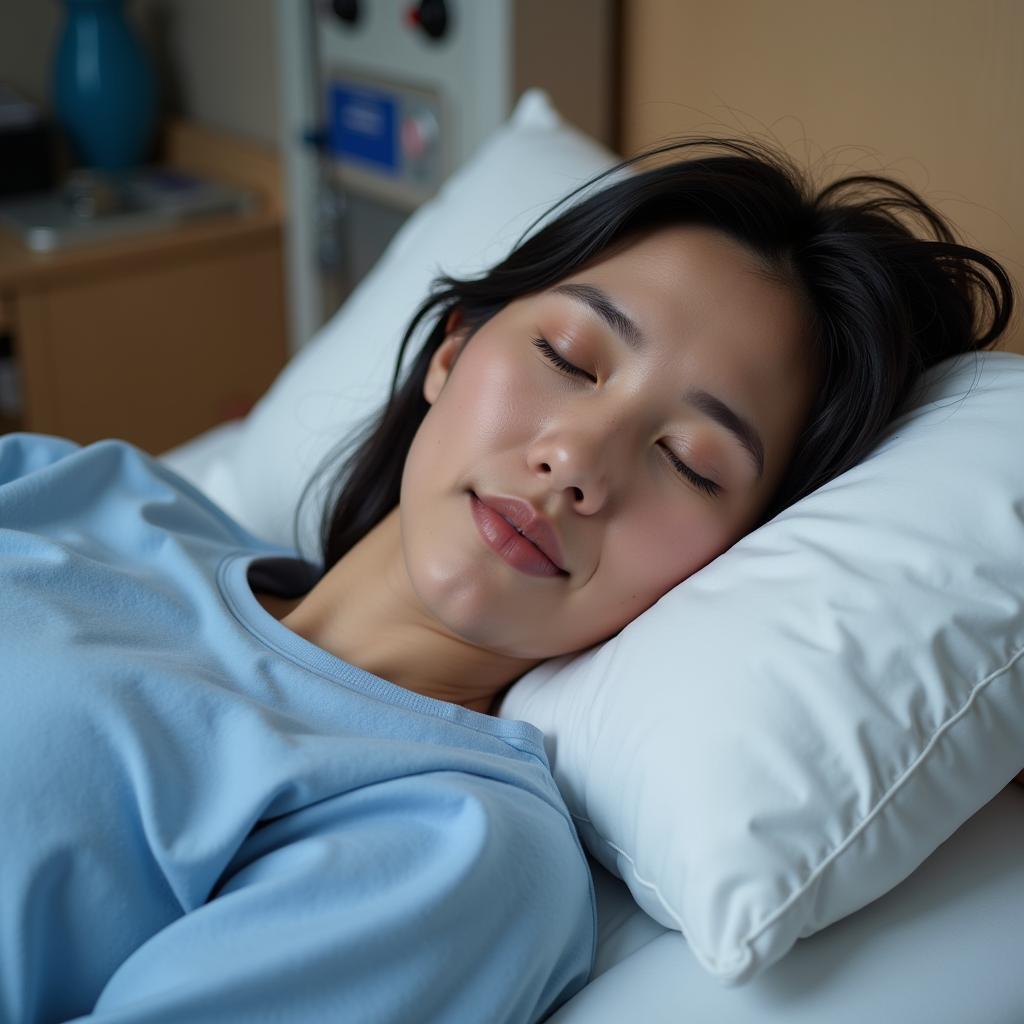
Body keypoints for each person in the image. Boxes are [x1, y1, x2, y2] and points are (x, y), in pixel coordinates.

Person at [0, 137, 1014, 1023]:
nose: (579, 459)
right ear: (451, 349)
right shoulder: (93, 491)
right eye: (571, 358)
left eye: (693, 460)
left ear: (729, 561)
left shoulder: (449, 845)